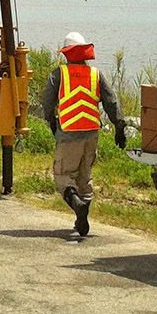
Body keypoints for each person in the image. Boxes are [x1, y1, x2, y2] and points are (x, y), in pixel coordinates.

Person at [41, 31, 126, 236]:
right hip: (91, 133)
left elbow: (46, 103)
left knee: (63, 175)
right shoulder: (96, 75)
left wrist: (52, 123)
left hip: (68, 132)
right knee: (84, 177)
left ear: (67, 54)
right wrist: (120, 127)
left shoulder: (58, 74)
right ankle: (82, 216)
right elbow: (111, 102)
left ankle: (78, 206)